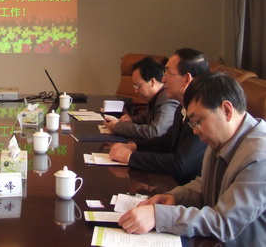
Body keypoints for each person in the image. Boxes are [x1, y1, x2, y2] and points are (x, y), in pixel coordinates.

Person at [119, 72, 266, 242]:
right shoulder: (220, 139)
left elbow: (224, 223)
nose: (195, 131)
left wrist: (158, 216)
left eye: (198, 121)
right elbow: (205, 185)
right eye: (192, 123)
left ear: (226, 110)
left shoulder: (260, 156)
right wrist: (174, 197)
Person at [109, 48, 209, 185]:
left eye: (168, 73)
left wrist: (131, 157)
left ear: (187, 79)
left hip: (187, 189)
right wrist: (134, 146)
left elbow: (180, 164)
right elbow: (167, 140)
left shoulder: (203, 114)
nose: (163, 79)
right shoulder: (182, 106)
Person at [104, 57, 179, 139]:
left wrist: (117, 127)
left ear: (152, 82)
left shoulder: (167, 100)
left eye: (138, 86)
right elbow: (147, 116)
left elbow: (155, 132)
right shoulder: (157, 96)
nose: (136, 91)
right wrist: (131, 120)